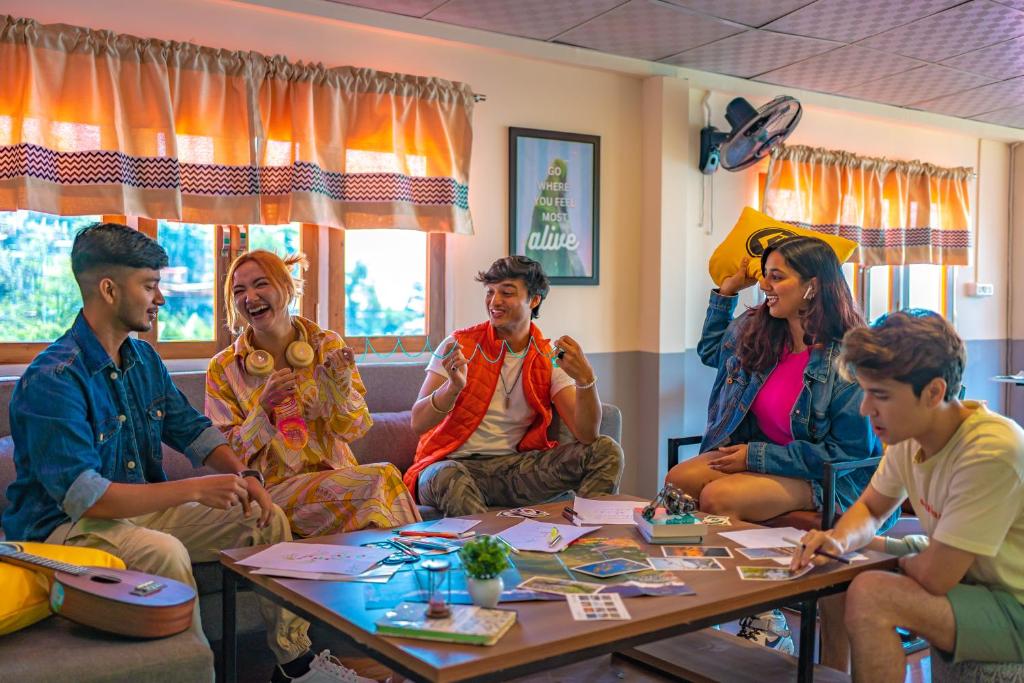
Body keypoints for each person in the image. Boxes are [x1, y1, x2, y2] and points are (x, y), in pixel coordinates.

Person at [1, 223, 374, 683]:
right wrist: (196, 489)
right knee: (164, 553)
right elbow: (88, 499)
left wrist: (248, 479)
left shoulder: (144, 361)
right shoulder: (54, 379)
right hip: (63, 527)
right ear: (110, 289)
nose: (160, 299)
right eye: (150, 286)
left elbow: (197, 434)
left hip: (130, 513)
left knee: (267, 517)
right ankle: (196, 675)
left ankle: (294, 666)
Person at [666, 235, 886, 653]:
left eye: (777, 277)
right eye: (764, 276)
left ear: (813, 285)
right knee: (678, 478)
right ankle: (707, 598)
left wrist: (757, 455)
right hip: (768, 461)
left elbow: (851, 455)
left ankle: (764, 616)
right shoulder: (763, 333)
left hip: (830, 477)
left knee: (718, 497)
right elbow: (712, 350)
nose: (765, 285)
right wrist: (725, 293)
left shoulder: (848, 359)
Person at [793, 310, 1024, 682]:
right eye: (866, 393)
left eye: (880, 395)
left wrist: (881, 560)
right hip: (972, 580)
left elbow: (935, 577)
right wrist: (838, 541)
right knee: (842, 562)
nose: (866, 409)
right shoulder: (910, 435)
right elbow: (870, 508)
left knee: (873, 593)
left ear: (933, 392)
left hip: (1014, 605)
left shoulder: (991, 449)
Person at [205, 250, 419, 537]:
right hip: (273, 491)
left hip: (338, 483)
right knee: (381, 479)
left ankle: (400, 566)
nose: (250, 297)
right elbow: (224, 455)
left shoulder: (327, 345)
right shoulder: (223, 367)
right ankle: (424, 561)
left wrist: (336, 394)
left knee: (377, 503)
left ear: (286, 286)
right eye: (239, 290)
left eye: (261, 284)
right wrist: (263, 412)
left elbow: (356, 428)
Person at [407, 255, 623, 517]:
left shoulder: (547, 357)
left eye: (506, 293)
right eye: (490, 292)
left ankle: (584, 538)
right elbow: (418, 422)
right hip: (446, 466)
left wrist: (585, 380)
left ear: (534, 300)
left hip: (511, 471)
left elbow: (587, 435)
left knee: (606, 450)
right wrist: (451, 388)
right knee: (450, 477)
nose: (494, 302)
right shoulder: (458, 345)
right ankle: (490, 553)